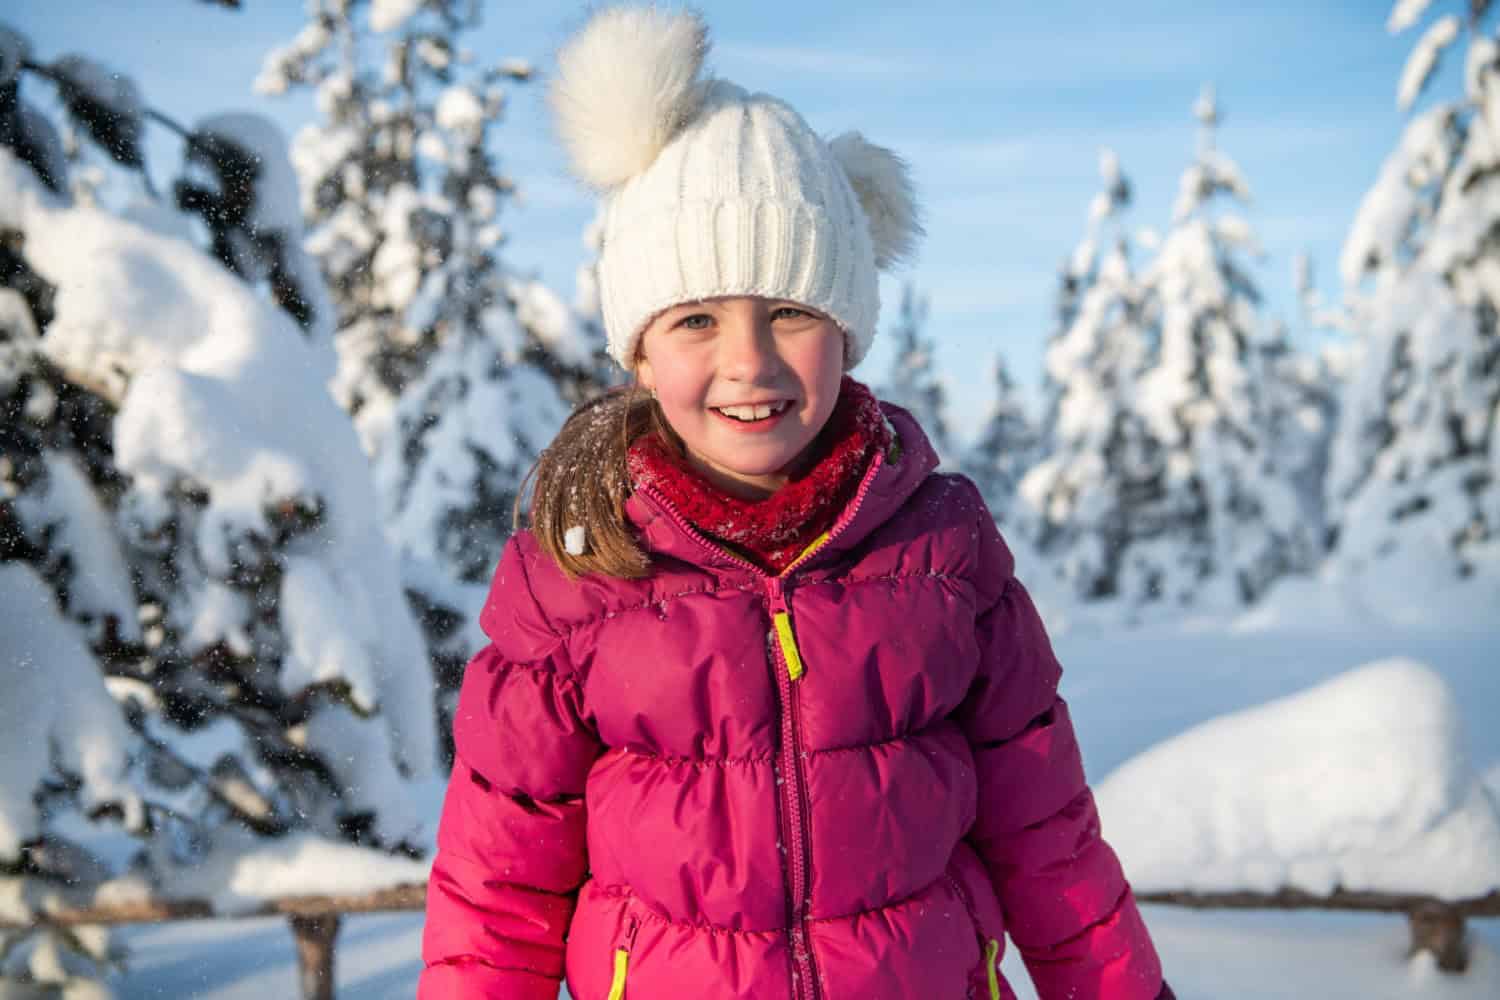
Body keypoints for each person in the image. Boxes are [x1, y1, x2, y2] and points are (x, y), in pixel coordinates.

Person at [419, 6, 1172, 999]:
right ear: (640, 350)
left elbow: (1047, 837)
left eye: (791, 312)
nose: (750, 362)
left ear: (849, 331)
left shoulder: (943, 553)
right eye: (695, 318)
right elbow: (496, 893)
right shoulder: (575, 584)